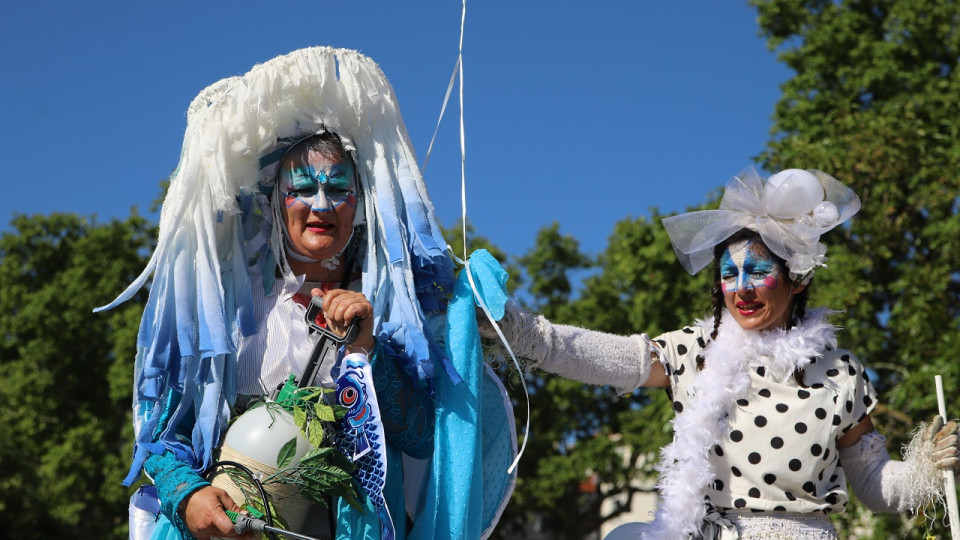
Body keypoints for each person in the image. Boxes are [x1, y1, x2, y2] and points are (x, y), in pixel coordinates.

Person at [99, 47, 517, 540]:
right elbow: (164, 435)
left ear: (359, 205)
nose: (321, 204)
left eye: (338, 188)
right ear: (276, 201)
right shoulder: (229, 315)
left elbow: (424, 437)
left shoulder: (387, 313)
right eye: (303, 188)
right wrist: (188, 496)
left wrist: (367, 352)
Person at [486, 167, 960, 539]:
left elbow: (874, 486)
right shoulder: (694, 351)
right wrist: (517, 330)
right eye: (730, 275)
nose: (743, 288)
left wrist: (927, 468)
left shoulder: (841, 374)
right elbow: (604, 357)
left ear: (797, 278)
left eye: (758, 271)